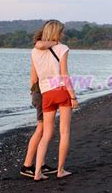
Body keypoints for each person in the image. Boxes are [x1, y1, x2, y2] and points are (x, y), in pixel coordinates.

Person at [31, 20, 78, 180]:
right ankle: (60, 170)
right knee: (64, 132)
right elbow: (64, 74)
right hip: (61, 91)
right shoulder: (62, 48)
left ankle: (37, 172)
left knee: (47, 134)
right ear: (57, 32)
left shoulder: (34, 51)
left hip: (46, 94)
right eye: (61, 31)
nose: (63, 34)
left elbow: (34, 78)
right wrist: (73, 95)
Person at [20, 25, 59, 178]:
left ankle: (40, 164)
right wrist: (55, 43)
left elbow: (33, 75)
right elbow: (39, 44)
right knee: (42, 129)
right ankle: (27, 165)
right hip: (41, 92)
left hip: (38, 91)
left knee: (44, 129)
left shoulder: (41, 52)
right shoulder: (39, 48)